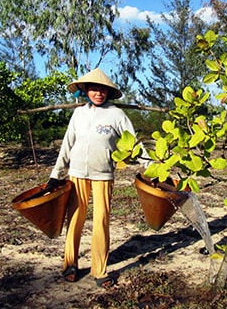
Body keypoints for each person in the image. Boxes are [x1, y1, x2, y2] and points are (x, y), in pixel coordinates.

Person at [46, 68, 136, 289]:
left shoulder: (116, 115)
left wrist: (154, 167)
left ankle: (100, 270)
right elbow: (67, 144)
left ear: (108, 92)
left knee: (101, 221)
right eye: (94, 89)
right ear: (86, 91)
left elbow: (133, 144)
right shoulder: (78, 114)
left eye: (102, 89)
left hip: (103, 175)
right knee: (75, 218)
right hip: (77, 173)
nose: (98, 93)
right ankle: (70, 265)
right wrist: (55, 174)